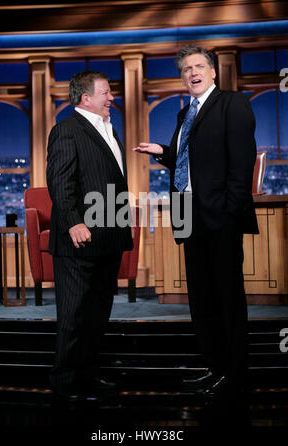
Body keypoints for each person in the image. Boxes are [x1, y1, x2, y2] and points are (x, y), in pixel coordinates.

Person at [134, 45, 258, 406]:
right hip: (189, 217)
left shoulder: (233, 105)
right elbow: (186, 160)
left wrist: (230, 212)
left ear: (213, 71)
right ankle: (214, 366)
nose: (192, 72)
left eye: (198, 66)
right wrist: (162, 151)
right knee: (201, 299)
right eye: (186, 68)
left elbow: (241, 162)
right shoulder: (184, 115)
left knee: (227, 298)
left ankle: (234, 375)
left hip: (220, 218)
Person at [46, 71, 133, 401]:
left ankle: (88, 376)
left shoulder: (109, 129)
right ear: (86, 98)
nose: (112, 98)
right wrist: (73, 222)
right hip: (78, 240)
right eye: (106, 92)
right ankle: (64, 383)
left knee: (98, 314)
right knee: (73, 314)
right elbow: (60, 182)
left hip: (109, 239)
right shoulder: (67, 131)